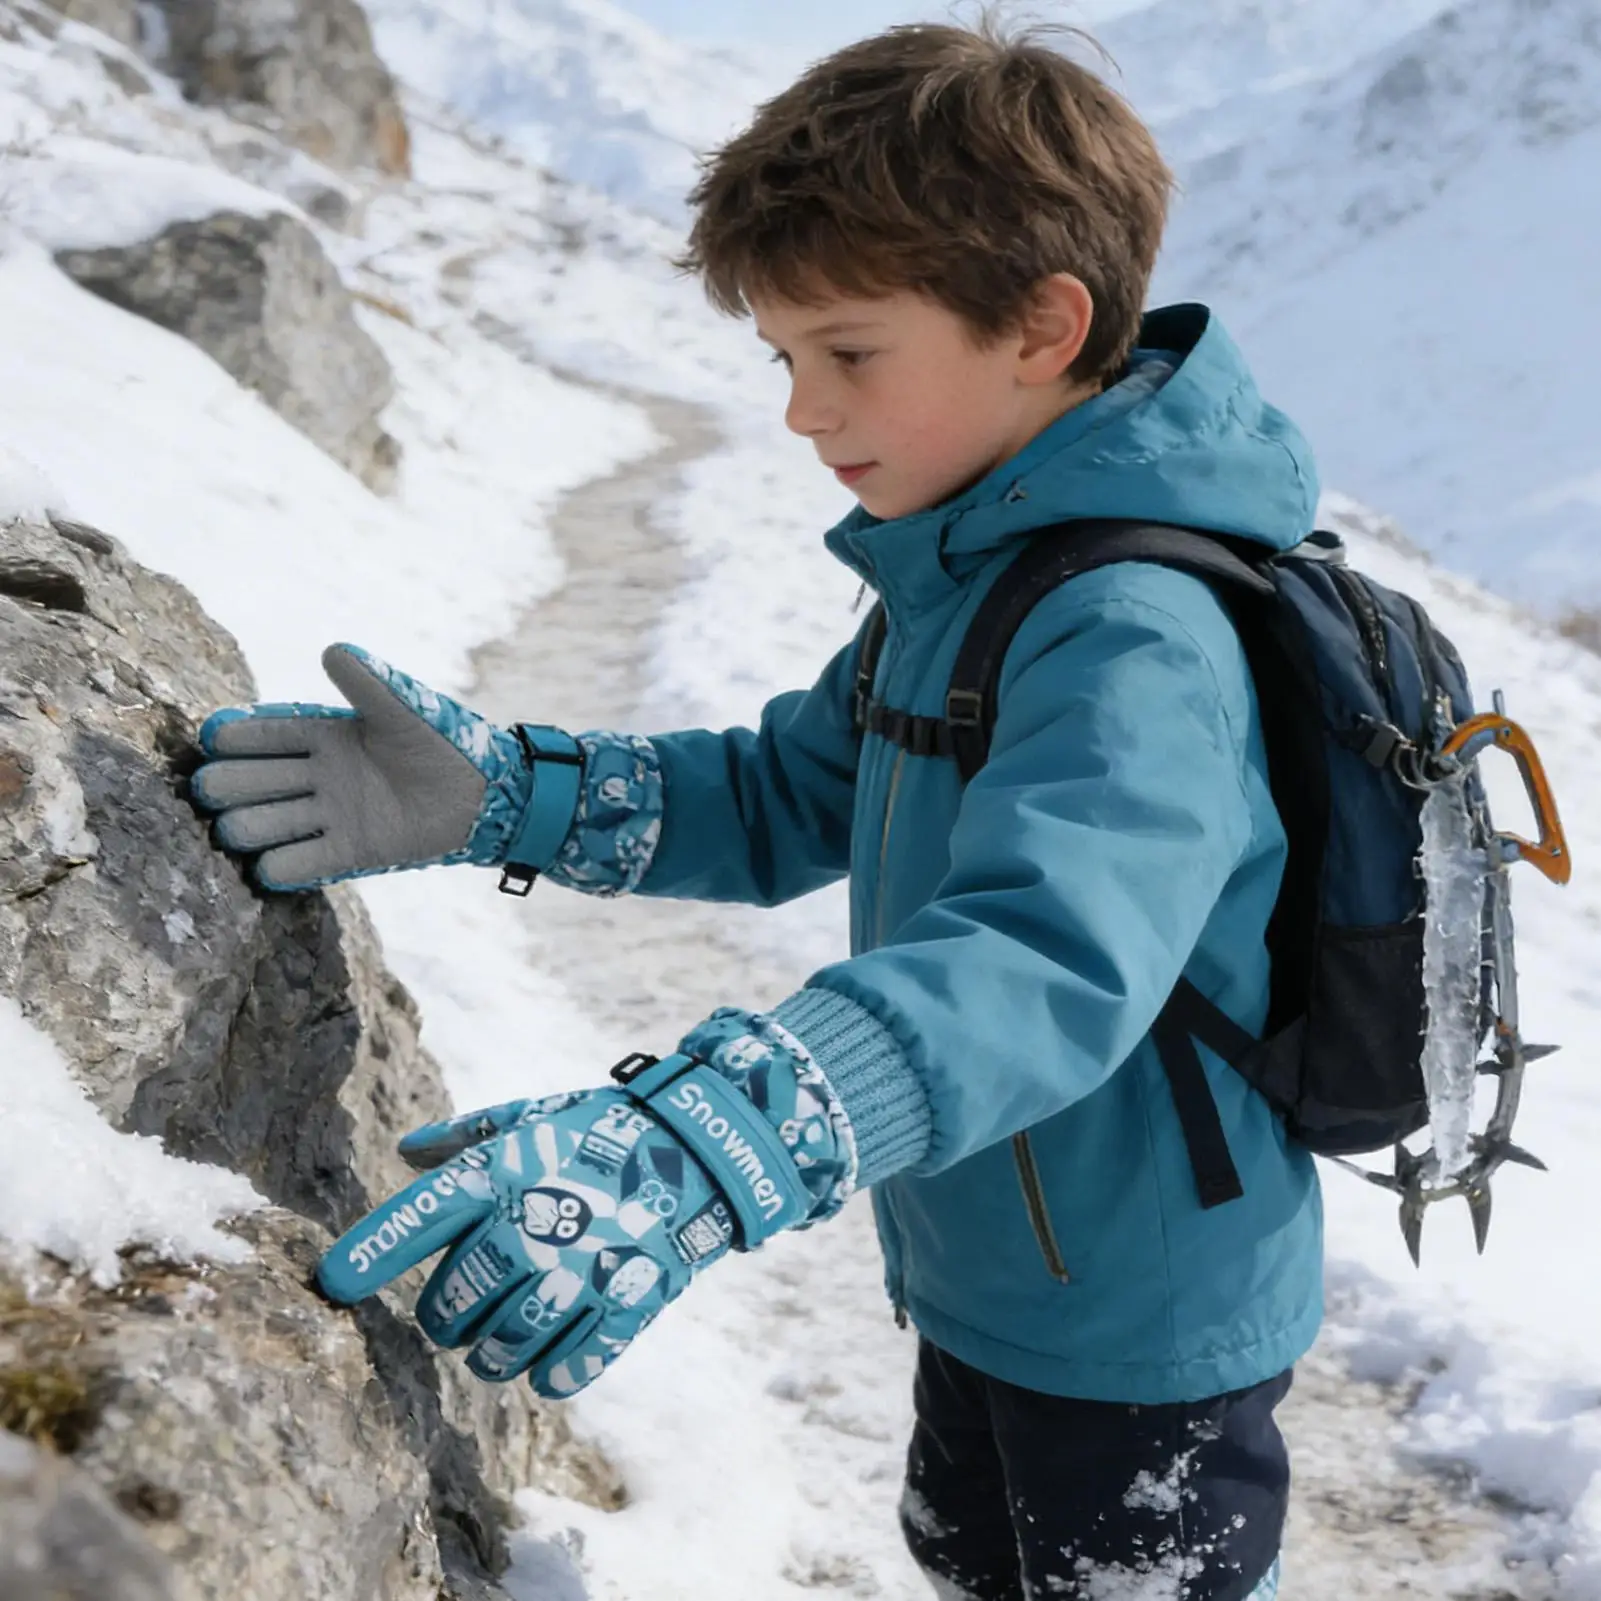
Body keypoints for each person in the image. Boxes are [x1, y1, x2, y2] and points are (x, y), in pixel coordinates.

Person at [192, 19, 1321, 1600]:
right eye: (783, 359)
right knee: (967, 1558)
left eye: (848, 352)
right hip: (987, 1263)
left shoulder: (1132, 628)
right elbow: (799, 790)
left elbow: (1048, 960)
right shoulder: (965, 573)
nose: (804, 411)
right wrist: (515, 795)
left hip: (1144, 1316)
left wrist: (726, 1135)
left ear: (1044, 328)